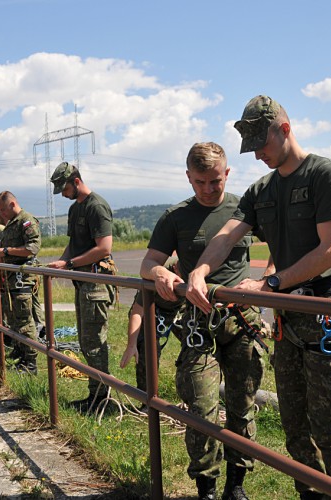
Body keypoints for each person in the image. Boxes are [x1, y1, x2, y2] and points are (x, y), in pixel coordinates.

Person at [186, 96, 331, 499]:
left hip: (322, 318)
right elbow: (227, 236)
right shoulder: (261, 189)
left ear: (284, 128)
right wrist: (200, 270)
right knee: (296, 432)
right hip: (286, 325)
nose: (257, 155)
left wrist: (269, 286)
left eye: (262, 146)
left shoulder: (325, 175)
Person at [141, 142, 265, 500]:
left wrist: (264, 279)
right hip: (198, 324)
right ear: (188, 179)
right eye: (200, 183)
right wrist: (161, 274)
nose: (209, 190)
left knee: (242, 405)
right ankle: (206, 487)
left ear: (226, 173)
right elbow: (150, 262)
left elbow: (280, 250)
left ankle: (236, 485)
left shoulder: (246, 209)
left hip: (242, 321)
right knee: (201, 408)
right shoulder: (176, 217)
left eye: (215, 181)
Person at [47, 162, 116, 412]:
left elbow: (104, 248)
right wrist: (63, 262)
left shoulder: (96, 206)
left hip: (96, 283)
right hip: (82, 281)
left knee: (95, 342)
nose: (62, 194)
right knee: (86, 342)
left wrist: (70, 263)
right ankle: (95, 396)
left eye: (64, 189)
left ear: (76, 182)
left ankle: (103, 400)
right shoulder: (76, 209)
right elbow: (73, 244)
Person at [0, 191, 42, 374]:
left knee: (25, 320)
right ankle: (20, 353)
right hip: (9, 276)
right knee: (13, 318)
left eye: (3, 210)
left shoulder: (26, 221)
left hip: (22, 277)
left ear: (12, 204)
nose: (1, 214)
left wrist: (6, 251)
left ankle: (31, 362)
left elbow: (32, 248)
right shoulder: (11, 224)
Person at [120, 256, 183, 396]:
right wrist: (131, 345)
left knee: (197, 345)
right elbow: (137, 312)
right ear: (175, 268)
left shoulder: (196, 273)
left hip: (181, 311)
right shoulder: (158, 275)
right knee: (148, 350)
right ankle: (148, 397)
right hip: (152, 311)